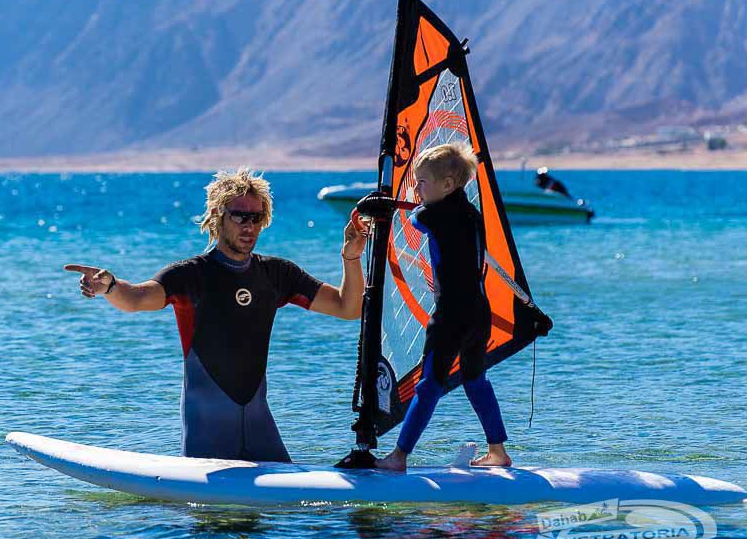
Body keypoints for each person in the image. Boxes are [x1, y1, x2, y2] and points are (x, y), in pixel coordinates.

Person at [65, 167, 368, 463]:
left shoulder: (277, 274)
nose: (249, 226)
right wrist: (111, 287)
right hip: (207, 438)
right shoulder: (190, 275)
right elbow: (136, 298)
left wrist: (351, 256)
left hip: (260, 431)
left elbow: (348, 307)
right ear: (217, 216)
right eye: (239, 216)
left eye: (256, 217)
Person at [376, 143, 511, 472]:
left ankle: (398, 457)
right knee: (475, 381)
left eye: (422, 182)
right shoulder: (473, 214)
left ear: (448, 184)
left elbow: (414, 219)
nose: (417, 190)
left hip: (451, 315)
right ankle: (498, 451)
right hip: (478, 312)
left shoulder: (434, 214)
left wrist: (383, 204)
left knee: (429, 385)